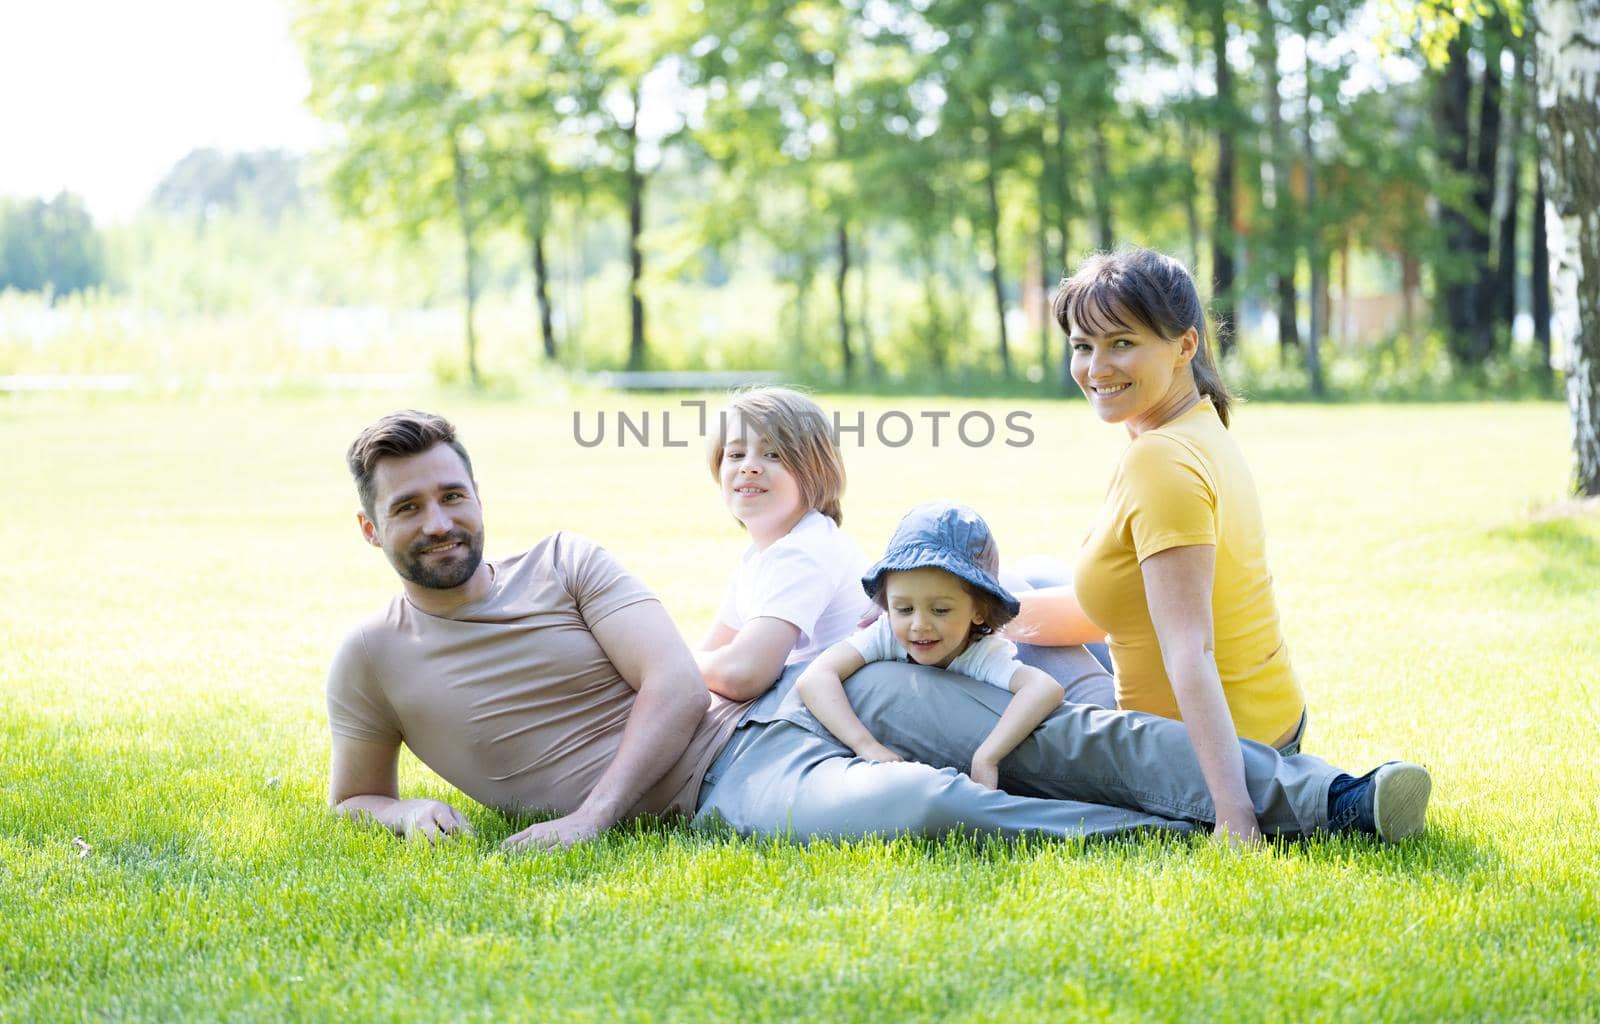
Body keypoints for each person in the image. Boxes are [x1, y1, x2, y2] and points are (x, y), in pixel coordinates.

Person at [326, 408, 1431, 850]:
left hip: (769, 713)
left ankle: (1330, 797)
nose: (440, 521)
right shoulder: (370, 660)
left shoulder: (568, 561)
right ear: (370, 526)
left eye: (452, 494)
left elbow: (673, 688)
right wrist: (399, 807)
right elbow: (350, 797)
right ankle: (1174, 834)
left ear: (477, 493)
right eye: (411, 506)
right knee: (920, 799)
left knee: (1059, 731)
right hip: (726, 791)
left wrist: (590, 819)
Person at [1007, 245, 1425, 844]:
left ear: (1185, 346)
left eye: (1121, 342)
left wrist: (1234, 815)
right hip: (1272, 721)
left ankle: (1301, 797)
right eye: (1082, 345)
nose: (1096, 366)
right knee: (1027, 581)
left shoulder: (1159, 460)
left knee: (986, 698)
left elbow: (1191, 651)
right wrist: (983, 613)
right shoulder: (1197, 427)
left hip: (1205, 751)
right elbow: (1117, 608)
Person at [797, 502, 1064, 791]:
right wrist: (866, 746)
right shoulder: (885, 633)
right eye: (904, 608)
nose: (919, 625)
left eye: (940, 610)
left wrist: (987, 756)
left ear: (978, 610)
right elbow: (815, 677)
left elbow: (1045, 688)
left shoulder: (980, 653)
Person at [695, 388, 873, 702]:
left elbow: (744, 674)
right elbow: (714, 651)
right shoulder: (761, 557)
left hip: (840, 715)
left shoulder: (804, 551)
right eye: (735, 455)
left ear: (815, 470)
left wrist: (666, 665)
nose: (749, 466)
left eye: (773, 454)